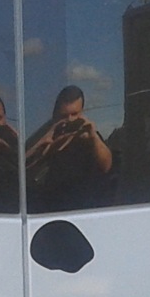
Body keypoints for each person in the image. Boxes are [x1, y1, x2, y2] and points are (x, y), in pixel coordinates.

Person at [25, 84, 113, 212]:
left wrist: (93, 137)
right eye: (63, 116)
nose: (69, 120)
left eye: (74, 114)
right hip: (48, 210)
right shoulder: (44, 135)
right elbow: (22, 170)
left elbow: (106, 166)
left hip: (82, 210)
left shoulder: (88, 138)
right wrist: (45, 145)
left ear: (82, 112)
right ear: (55, 115)